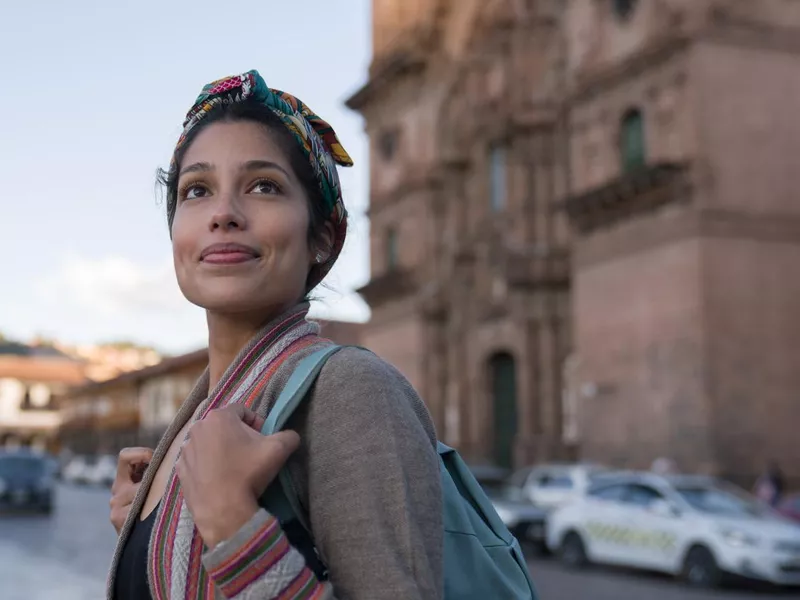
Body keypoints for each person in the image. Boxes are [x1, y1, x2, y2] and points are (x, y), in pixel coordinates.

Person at [107, 70, 443, 600]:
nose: (223, 214)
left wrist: (234, 527)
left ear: (322, 238)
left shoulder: (350, 393)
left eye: (264, 186)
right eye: (197, 190)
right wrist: (154, 530)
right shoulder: (191, 424)